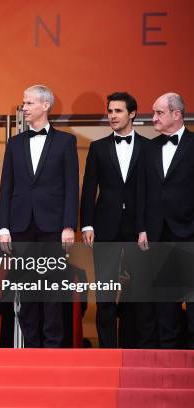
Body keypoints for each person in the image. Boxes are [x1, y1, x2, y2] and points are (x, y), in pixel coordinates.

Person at [0, 85, 79, 348]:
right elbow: (6, 187)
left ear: (45, 105)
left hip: (53, 226)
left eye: (29, 103)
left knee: (52, 288)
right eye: (24, 103)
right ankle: (31, 346)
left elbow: (71, 186)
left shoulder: (66, 141)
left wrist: (69, 225)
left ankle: (53, 345)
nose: (24, 108)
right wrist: (3, 228)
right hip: (21, 226)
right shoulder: (14, 143)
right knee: (27, 288)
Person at [80, 92, 149, 348]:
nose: (112, 116)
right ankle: (107, 349)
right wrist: (86, 224)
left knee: (136, 292)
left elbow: (150, 192)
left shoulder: (147, 147)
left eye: (118, 111)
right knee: (105, 292)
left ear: (132, 113)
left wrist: (146, 227)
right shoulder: (98, 147)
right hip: (104, 227)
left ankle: (133, 348)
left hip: (136, 228)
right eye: (110, 111)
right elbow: (89, 188)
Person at [139, 92, 194, 349]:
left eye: (159, 112)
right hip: (158, 234)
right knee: (164, 302)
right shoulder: (149, 148)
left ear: (177, 114)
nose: (154, 118)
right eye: (153, 112)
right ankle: (169, 361)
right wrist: (142, 228)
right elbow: (143, 192)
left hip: (190, 233)